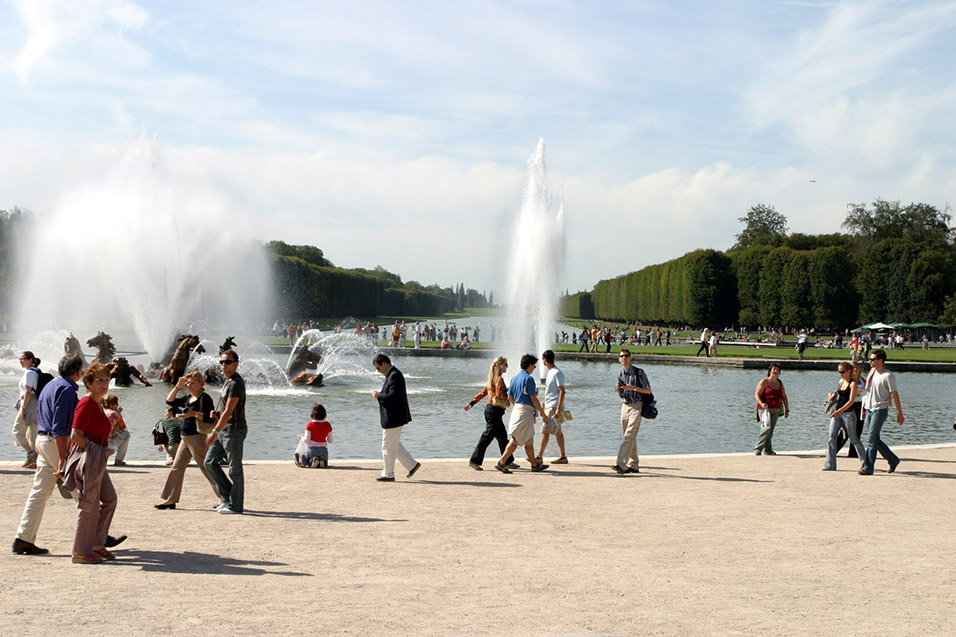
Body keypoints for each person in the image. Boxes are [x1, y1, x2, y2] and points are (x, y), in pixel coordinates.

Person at [11, 354, 83, 556]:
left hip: (42, 440)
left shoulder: (51, 385)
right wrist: (63, 459)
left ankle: (23, 538)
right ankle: (96, 535)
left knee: (39, 493)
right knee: (80, 488)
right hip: (55, 442)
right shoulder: (68, 390)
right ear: (77, 372)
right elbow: (61, 428)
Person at [64, 362, 118, 563]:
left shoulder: (97, 403)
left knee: (109, 499)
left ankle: (96, 543)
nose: (104, 384)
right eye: (100, 381)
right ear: (88, 383)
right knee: (90, 503)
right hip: (89, 457)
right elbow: (75, 435)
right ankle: (80, 551)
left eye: (107, 380)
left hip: (97, 457)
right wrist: (96, 450)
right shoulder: (86, 404)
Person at [155, 372, 220, 509]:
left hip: (197, 438)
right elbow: (169, 401)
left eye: (193, 383)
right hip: (185, 438)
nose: (189, 386)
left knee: (207, 469)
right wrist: (177, 387)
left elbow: (209, 418)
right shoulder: (188, 398)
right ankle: (170, 500)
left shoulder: (205, 398)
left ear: (201, 384)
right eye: (188, 383)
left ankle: (224, 497)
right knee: (176, 468)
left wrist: (194, 414)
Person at [205, 349, 247, 514]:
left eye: (227, 362)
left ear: (235, 364)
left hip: (234, 430)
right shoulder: (228, 381)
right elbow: (225, 410)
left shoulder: (236, 383)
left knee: (235, 469)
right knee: (209, 462)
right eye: (221, 362)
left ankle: (236, 506)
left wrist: (214, 431)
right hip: (224, 429)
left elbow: (229, 411)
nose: (223, 364)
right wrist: (217, 414)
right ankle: (228, 498)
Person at [494, 354, 549, 474]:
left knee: (529, 439)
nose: (535, 367)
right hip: (525, 411)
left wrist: (518, 406)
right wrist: (542, 413)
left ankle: (534, 465)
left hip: (518, 409)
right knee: (516, 439)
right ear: (530, 365)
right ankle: (501, 462)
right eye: (534, 365)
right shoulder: (529, 379)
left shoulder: (514, 378)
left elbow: (510, 397)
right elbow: (533, 398)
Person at [372, 353, 420, 482]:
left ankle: (389, 473)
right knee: (394, 444)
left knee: (387, 446)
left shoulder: (394, 375)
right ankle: (412, 465)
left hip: (394, 417)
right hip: (395, 416)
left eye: (378, 368)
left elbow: (392, 396)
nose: (378, 371)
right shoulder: (393, 374)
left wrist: (378, 396)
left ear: (384, 364)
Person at [464, 356, 515, 470]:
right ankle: (474, 460)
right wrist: (510, 393)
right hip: (495, 411)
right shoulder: (499, 380)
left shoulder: (492, 378)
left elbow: (483, 393)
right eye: (506, 364)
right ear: (501, 366)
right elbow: (500, 395)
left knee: (502, 437)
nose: (507, 367)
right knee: (487, 437)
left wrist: (472, 403)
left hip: (490, 410)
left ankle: (507, 460)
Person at [859, 349, 903, 475]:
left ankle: (868, 467)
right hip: (869, 409)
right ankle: (893, 460)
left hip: (880, 410)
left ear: (880, 361)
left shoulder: (888, 376)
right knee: (874, 439)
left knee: (871, 440)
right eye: (870, 359)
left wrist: (900, 413)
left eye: (872, 359)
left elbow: (895, 395)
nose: (870, 361)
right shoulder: (872, 372)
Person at [612, 349, 652, 474]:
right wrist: (619, 389)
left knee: (629, 435)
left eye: (626, 356)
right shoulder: (621, 374)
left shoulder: (639, 373)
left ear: (630, 358)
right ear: (619, 359)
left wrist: (633, 388)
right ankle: (634, 465)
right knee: (628, 436)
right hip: (625, 406)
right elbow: (621, 394)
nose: (624, 358)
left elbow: (648, 391)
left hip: (637, 405)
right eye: (621, 356)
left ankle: (621, 464)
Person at [823, 362, 865, 470]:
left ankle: (865, 462)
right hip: (837, 413)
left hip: (848, 414)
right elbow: (838, 395)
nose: (840, 374)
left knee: (854, 439)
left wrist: (840, 410)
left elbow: (851, 400)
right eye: (839, 372)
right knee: (831, 438)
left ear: (849, 371)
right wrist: (831, 397)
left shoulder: (853, 383)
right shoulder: (841, 382)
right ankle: (830, 465)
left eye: (842, 371)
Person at [536, 350, 568, 465]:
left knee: (545, 430)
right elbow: (552, 391)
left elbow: (562, 391)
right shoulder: (551, 372)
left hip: (554, 407)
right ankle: (563, 456)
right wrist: (544, 401)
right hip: (550, 405)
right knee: (558, 432)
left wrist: (558, 409)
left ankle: (539, 456)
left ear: (545, 359)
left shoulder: (556, 373)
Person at [11, 351, 41, 468]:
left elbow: (28, 392)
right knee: (32, 433)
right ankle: (35, 460)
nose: (20, 361)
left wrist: (23, 408)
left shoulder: (29, 373)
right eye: (20, 359)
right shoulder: (35, 372)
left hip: (29, 403)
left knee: (17, 431)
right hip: (34, 403)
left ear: (30, 359)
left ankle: (31, 453)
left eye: (23, 359)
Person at [754, 363, 789, 456]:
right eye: (774, 369)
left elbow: (784, 397)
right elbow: (757, 394)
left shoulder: (780, 383)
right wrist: (761, 403)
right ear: (770, 371)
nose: (775, 371)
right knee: (766, 428)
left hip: (776, 409)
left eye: (777, 370)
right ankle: (758, 448)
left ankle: (768, 450)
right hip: (764, 409)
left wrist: (787, 409)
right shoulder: (764, 381)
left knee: (771, 430)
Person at [296, 403, 333, 468]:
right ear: (324, 414)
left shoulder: (310, 425)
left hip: (312, 449)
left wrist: (301, 436)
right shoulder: (327, 425)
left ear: (312, 414)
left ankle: (313, 460)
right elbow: (330, 440)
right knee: (325, 462)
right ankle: (322, 460)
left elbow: (306, 440)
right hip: (323, 449)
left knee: (306, 460)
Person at [101, 394, 131, 466]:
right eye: (116, 403)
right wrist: (119, 414)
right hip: (107, 444)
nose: (117, 405)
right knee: (126, 434)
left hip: (97, 443)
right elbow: (123, 427)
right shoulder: (115, 414)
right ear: (112, 404)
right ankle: (119, 460)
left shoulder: (100, 411)